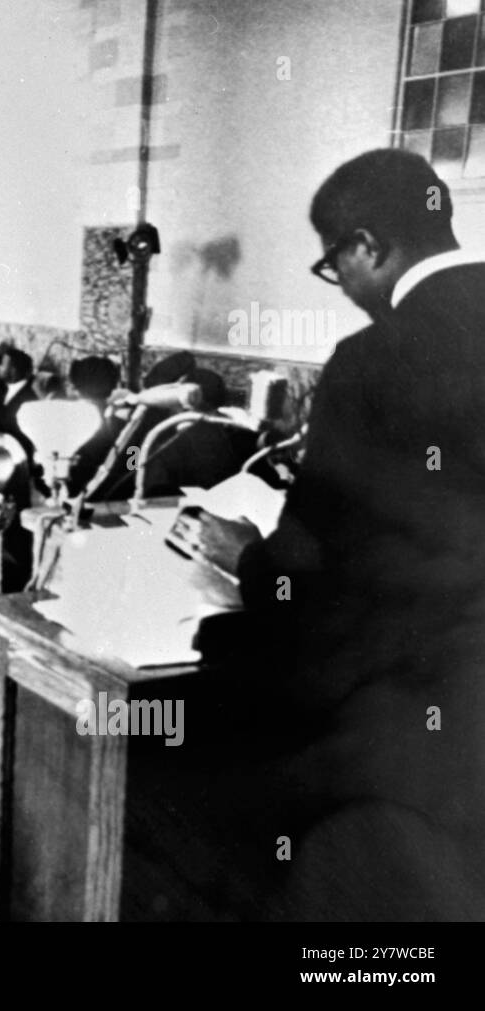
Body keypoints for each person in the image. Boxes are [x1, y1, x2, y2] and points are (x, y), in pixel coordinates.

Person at [171, 149, 485, 920]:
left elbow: (317, 578)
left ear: (368, 246)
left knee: (180, 776)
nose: (340, 286)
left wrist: (242, 551)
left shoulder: (374, 359)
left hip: (409, 724)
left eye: (333, 264)